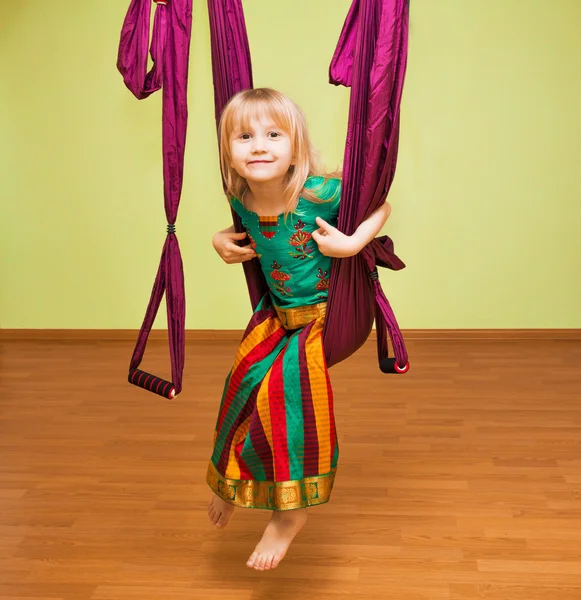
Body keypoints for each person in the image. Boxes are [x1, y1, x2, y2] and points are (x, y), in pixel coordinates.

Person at [206, 88, 392, 571]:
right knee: (241, 387)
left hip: (328, 318)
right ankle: (236, 480)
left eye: (273, 135)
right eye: (245, 137)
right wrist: (217, 238)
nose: (260, 146)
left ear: (297, 148)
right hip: (279, 314)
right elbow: (237, 231)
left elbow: (381, 207)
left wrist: (352, 244)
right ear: (228, 150)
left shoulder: (319, 193)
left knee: (284, 396)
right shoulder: (239, 196)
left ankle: (291, 513)